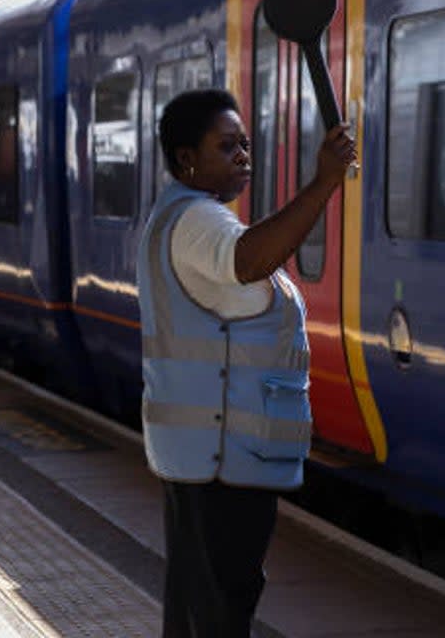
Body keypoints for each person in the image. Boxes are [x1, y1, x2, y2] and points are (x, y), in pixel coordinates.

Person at [138, 88, 356, 638]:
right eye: (226, 146)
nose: (243, 157)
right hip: (220, 457)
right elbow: (251, 259)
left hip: (216, 454)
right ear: (188, 159)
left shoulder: (191, 217)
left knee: (203, 605)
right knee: (220, 606)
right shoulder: (197, 222)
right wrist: (325, 182)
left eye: (245, 144)